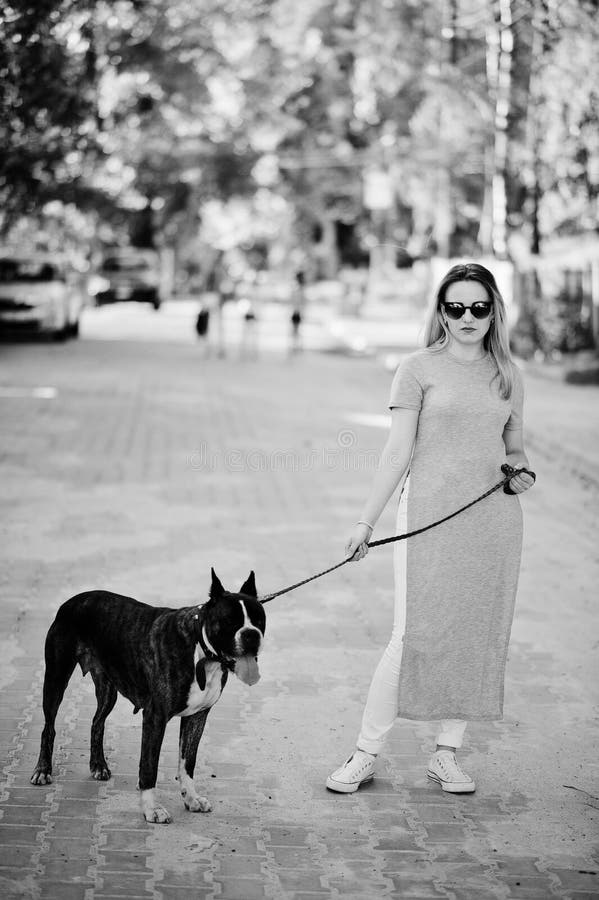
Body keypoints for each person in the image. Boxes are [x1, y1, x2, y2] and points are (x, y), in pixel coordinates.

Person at [326, 262, 535, 796]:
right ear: (440, 311)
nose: (467, 317)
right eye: (455, 307)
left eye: (479, 307)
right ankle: (364, 753)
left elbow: (513, 446)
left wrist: (520, 471)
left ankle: (447, 756)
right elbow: (397, 451)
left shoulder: (508, 373)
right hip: (426, 520)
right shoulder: (417, 368)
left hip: (492, 524)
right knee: (411, 635)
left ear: (494, 311)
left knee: (474, 635)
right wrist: (365, 521)